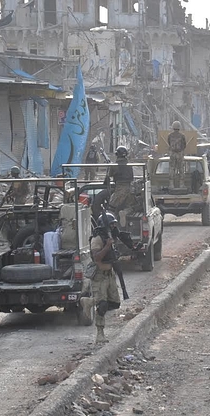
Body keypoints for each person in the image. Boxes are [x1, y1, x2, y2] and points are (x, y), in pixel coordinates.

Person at [90, 212, 122, 344]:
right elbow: (96, 257)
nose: (114, 227)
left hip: (109, 274)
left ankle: (89, 301)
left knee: (114, 303)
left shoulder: (110, 237)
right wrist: (107, 246)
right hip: (99, 275)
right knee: (102, 305)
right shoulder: (97, 239)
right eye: (111, 224)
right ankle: (100, 333)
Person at [105, 146, 134, 215]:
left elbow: (109, 175)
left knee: (111, 207)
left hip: (120, 188)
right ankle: (124, 213)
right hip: (129, 188)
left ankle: (113, 220)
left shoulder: (115, 165)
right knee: (129, 206)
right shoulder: (129, 164)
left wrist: (109, 166)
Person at [167, 121, 187, 188]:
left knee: (172, 169)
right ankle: (181, 184)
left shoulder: (170, 135)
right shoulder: (182, 136)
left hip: (172, 154)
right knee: (181, 169)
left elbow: (169, 143)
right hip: (180, 154)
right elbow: (184, 145)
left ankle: (171, 184)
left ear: (173, 127)